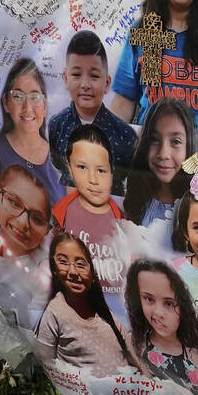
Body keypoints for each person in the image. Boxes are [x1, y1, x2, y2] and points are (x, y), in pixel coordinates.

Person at [34, 230, 134, 378]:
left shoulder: (106, 315)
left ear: (92, 274)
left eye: (80, 264)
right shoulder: (54, 313)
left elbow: (134, 358)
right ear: (54, 269)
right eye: (63, 262)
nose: (73, 271)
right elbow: (45, 367)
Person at [52, 123, 130, 306]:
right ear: (69, 168)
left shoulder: (123, 220)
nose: (93, 180)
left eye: (101, 170)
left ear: (112, 171)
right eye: (82, 167)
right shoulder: (60, 216)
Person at [47, 31, 138, 176]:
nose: (85, 84)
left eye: (94, 76)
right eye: (76, 75)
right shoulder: (57, 125)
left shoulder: (126, 135)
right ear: (65, 78)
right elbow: (58, 166)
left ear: (107, 83)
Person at [122, 258, 198, 395]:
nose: (158, 313)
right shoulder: (135, 346)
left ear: (183, 307)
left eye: (169, 303)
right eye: (149, 299)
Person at [0, 58, 66, 212]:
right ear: (5, 102)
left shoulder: (59, 156)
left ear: (45, 106)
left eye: (35, 98)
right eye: (18, 96)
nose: (27, 108)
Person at [0, 164, 55, 332]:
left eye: (37, 218)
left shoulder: (44, 270)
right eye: (14, 203)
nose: (23, 223)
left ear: (47, 228)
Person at [121, 98, 196, 228]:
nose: (163, 154)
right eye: (154, 140)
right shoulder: (131, 195)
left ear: (189, 147)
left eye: (176, 142)